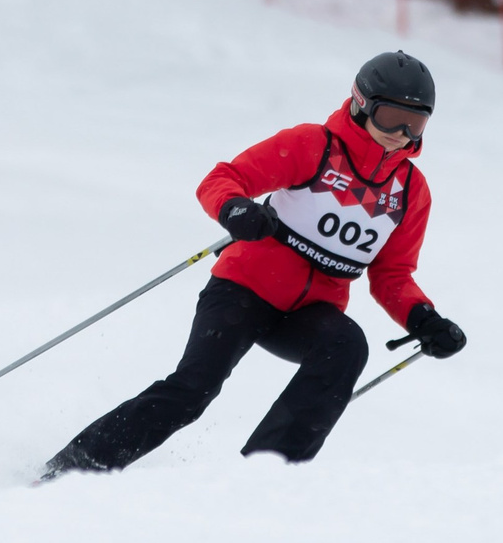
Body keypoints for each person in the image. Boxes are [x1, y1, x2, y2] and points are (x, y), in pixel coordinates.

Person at [38, 50, 467, 480]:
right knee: (193, 391)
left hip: (308, 313)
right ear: (361, 104)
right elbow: (222, 179)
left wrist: (423, 319)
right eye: (391, 118)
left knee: (347, 347)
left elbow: (392, 275)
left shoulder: (410, 190)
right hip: (243, 291)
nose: (400, 134)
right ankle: (73, 469)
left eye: (415, 124)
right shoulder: (313, 146)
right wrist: (235, 209)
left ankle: (262, 475)